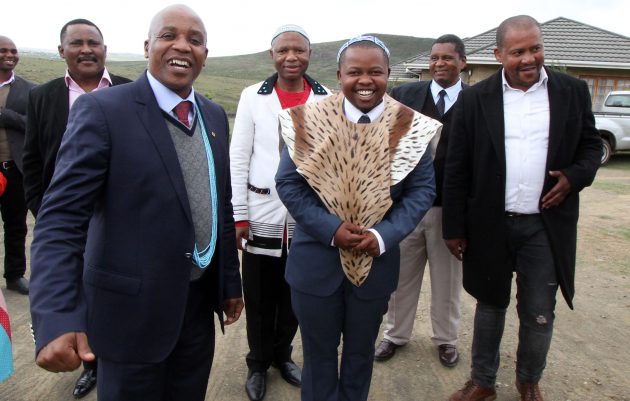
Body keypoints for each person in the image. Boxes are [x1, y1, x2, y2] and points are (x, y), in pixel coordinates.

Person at [28, 5, 244, 401]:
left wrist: (230, 281)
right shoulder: (104, 111)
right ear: (148, 46)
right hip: (128, 316)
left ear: (205, 55)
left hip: (195, 312)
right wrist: (57, 316)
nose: (182, 46)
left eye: (195, 40)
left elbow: (219, 204)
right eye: (169, 36)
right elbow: (60, 222)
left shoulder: (213, 116)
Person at [443, 15, 601, 401]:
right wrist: (454, 226)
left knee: (538, 310)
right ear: (498, 55)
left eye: (536, 48)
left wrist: (575, 177)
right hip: (490, 225)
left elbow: (592, 146)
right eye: (518, 52)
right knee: (490, 304)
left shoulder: (572, 91)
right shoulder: (475, 98)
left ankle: (529, 381)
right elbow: (456, 165)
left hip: (545, 227)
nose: (529, 58)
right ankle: (483, 381)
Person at [275, 35, 441, 401]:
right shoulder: (307, 120)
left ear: (388, 75)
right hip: (315, 264)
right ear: (339, 75)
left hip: (376, 265)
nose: (365, 80)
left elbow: (422, 191)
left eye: (375, 72)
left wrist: (383, 235)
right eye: (355, 72)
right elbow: (288, 183)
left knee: (360, 356)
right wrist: (331, 229)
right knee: (317, 359)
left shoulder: (411, 126)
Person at [22, 19, 131, 399]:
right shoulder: (43, 97)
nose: (87, 49)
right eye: (77, 43)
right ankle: (91, 364)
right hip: (67, 221)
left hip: (118, 222)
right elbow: (33, 162)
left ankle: (116, 357)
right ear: (61, 51)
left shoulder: (129, 91)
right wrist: (44, 213)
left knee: (111, 291)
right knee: (77, 291)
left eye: (94, 43)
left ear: (104, 49)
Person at [230, 24, 329, 401]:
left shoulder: (327, 97)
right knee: (258, 296)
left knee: (295, 295)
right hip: (261, 211)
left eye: (299, 50)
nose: (292, 57)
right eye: (283, 50)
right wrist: (239, 215)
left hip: (307, 217)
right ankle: (257, 363)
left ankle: (283, 356)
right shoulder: (253, 96)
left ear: (309, 54)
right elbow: (239, 157)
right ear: (272, 55)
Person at [375, 34, 467, 367]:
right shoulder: (405, 95)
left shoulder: (474, 101)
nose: (439, 64)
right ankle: (395, 335)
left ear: (462, 62)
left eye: (447, 58)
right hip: (407, 208)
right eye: (434, 58)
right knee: (401, 277)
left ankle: (446, 339)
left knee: (448, 280)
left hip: (450, 211)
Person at [0, 36, 34, 296]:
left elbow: (33, 124)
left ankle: (14, 275)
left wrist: (4, 116)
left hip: (14, 168)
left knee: (16, 225)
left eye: (13, 51)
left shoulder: (30, 90)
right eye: (3, 51)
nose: (9, 55)